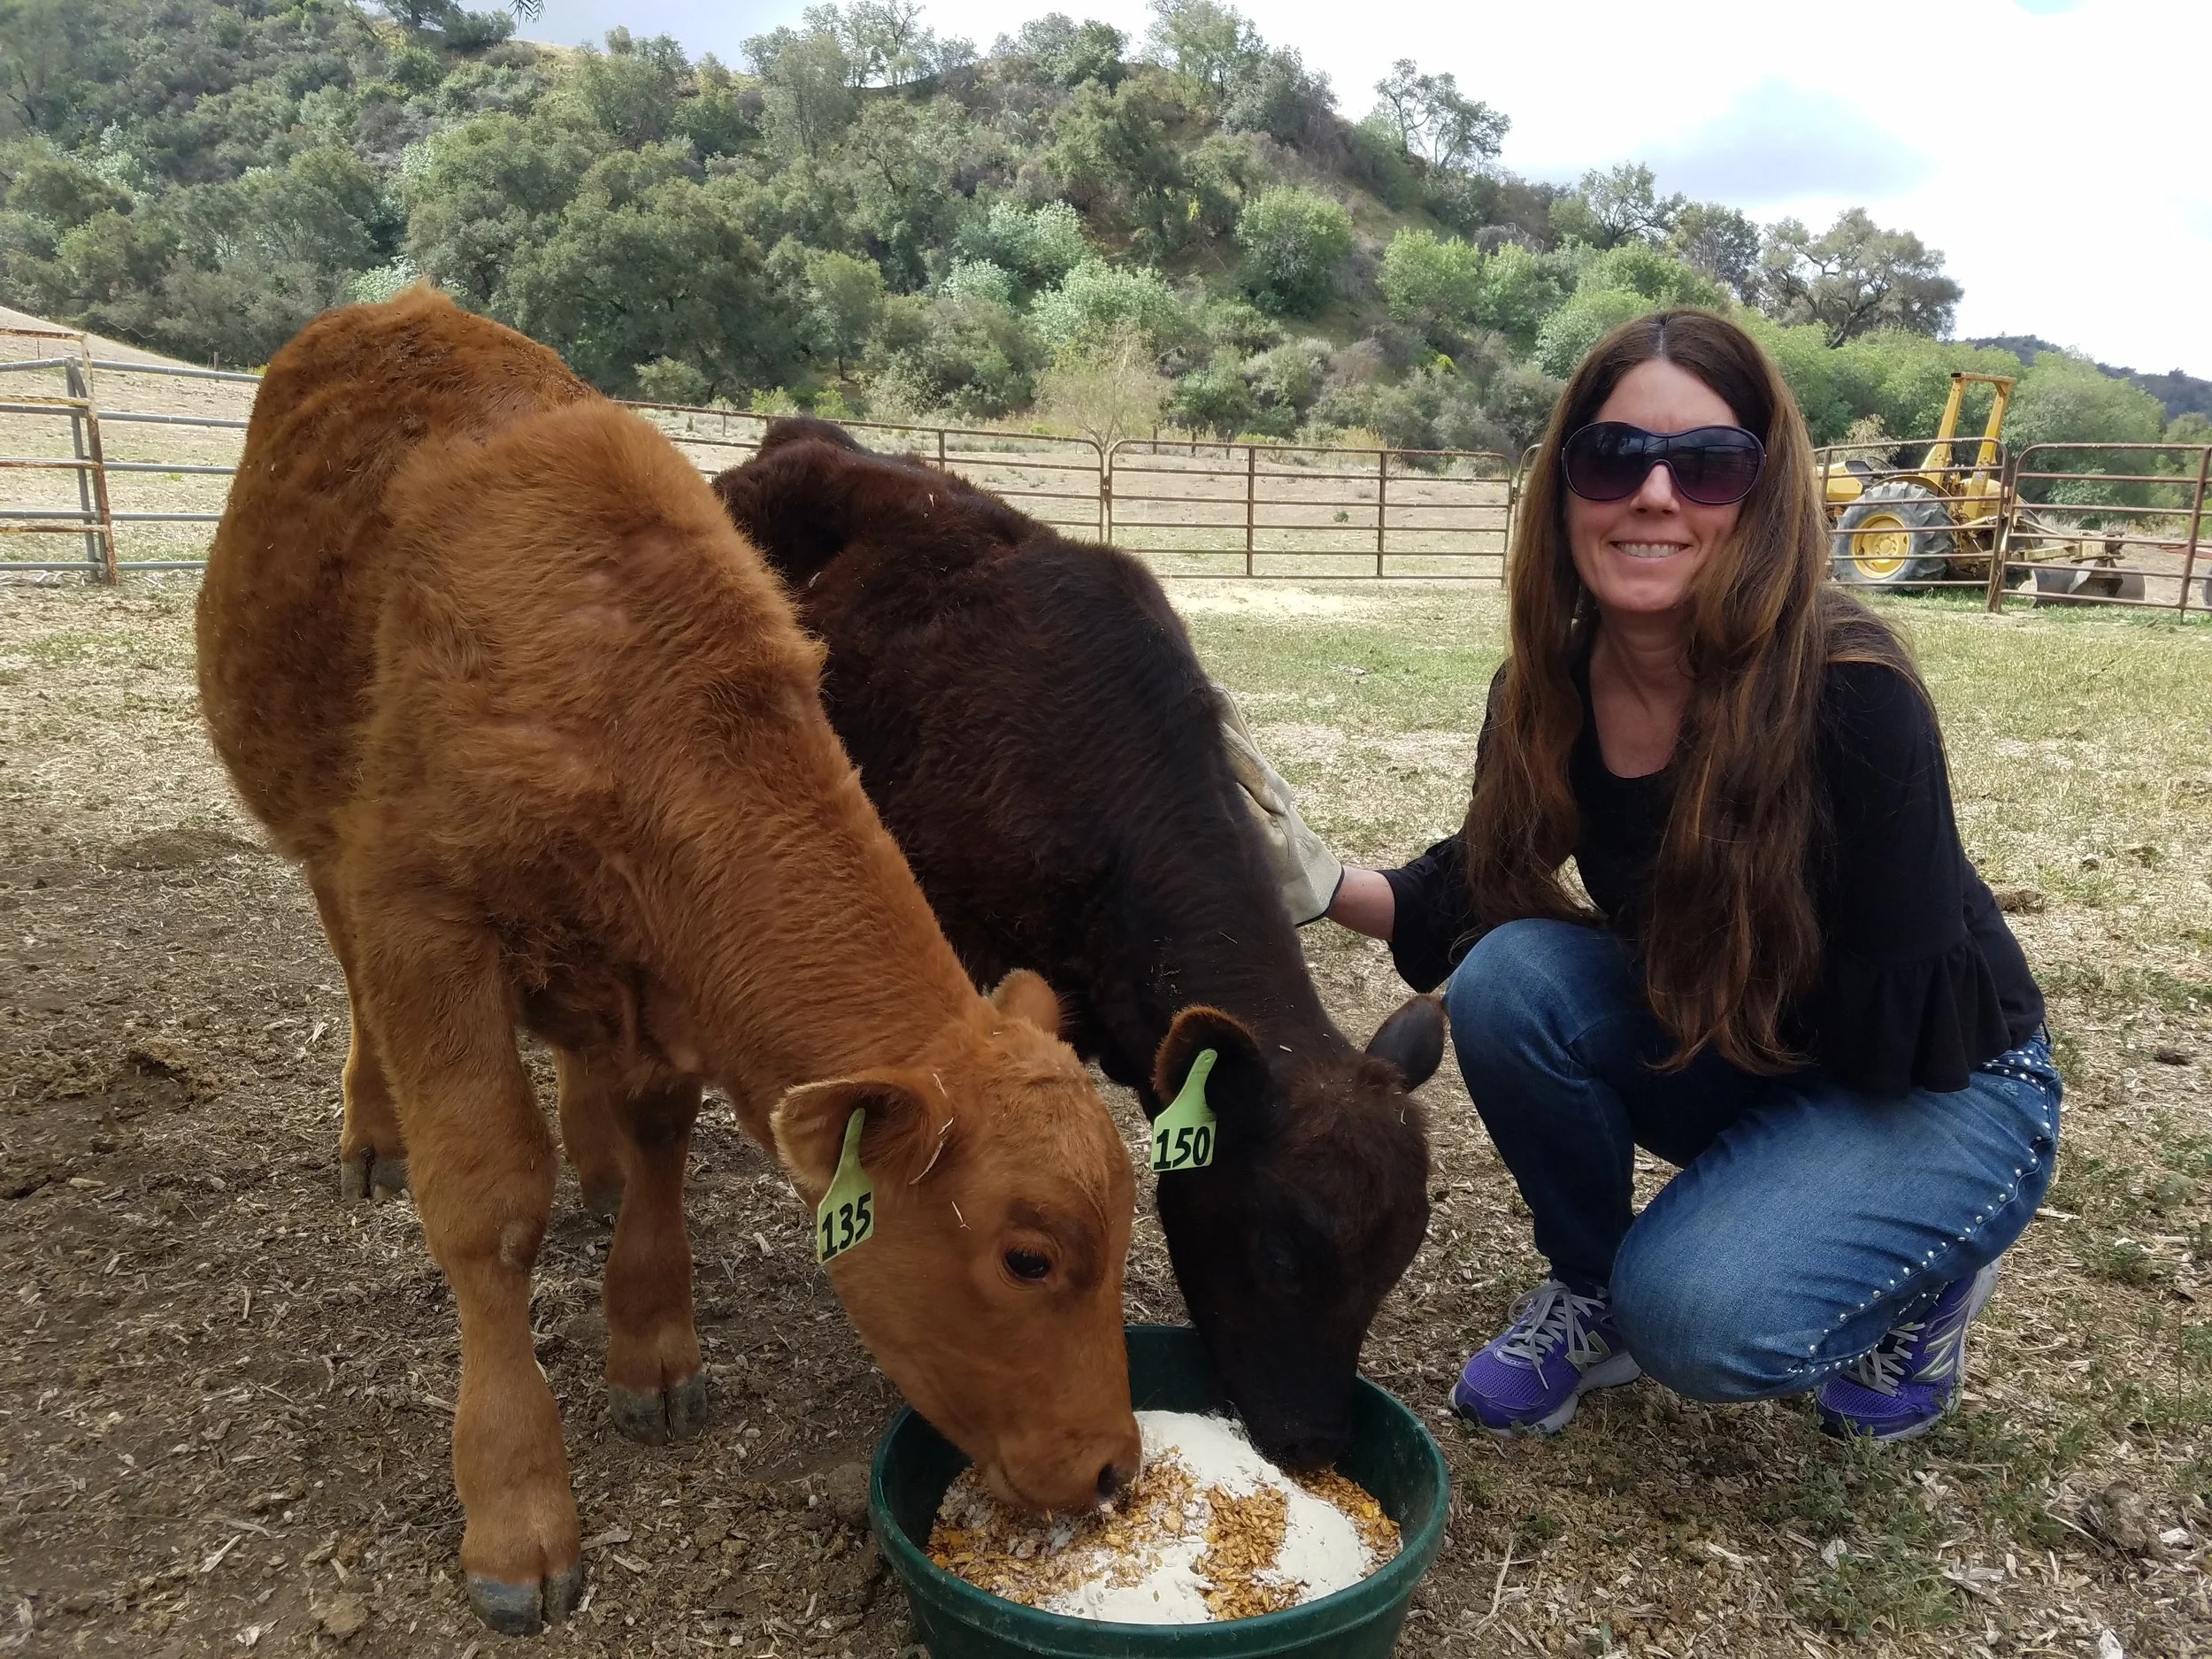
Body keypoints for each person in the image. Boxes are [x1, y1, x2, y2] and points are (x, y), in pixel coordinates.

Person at [1232, 309, 2057, 1443]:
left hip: (1933, 1076)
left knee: (1699, 1318)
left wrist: (1792, 1195)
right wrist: (1317, 880)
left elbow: (1896, 1024)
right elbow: (1479, 880)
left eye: (1707, 464)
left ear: (1760, 497)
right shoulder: (1546, 689)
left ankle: (1929, 1267)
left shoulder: (1852, 693)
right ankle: (1591, 1288)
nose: (1655, 494)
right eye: (1613, 455)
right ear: (1565, 488)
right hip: (1749, 1035)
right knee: (1509, 978)